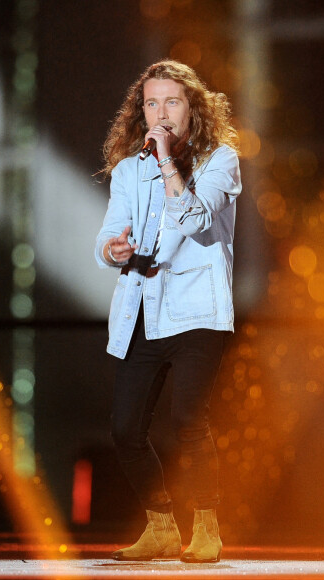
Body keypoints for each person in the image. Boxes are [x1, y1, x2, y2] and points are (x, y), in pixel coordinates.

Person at [95, 60, 241, 563]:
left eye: (171, 102)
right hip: (144, 309)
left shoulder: (221, 161)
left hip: (199, 309)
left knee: (188, 421)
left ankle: (206, 528)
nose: (160, 112)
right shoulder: (127, 170)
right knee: (126, 429)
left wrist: (166, 163)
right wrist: (110, 249)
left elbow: (196, 218)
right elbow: (110, 230)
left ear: (192, 107)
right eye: (151, 103)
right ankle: (159, 525)